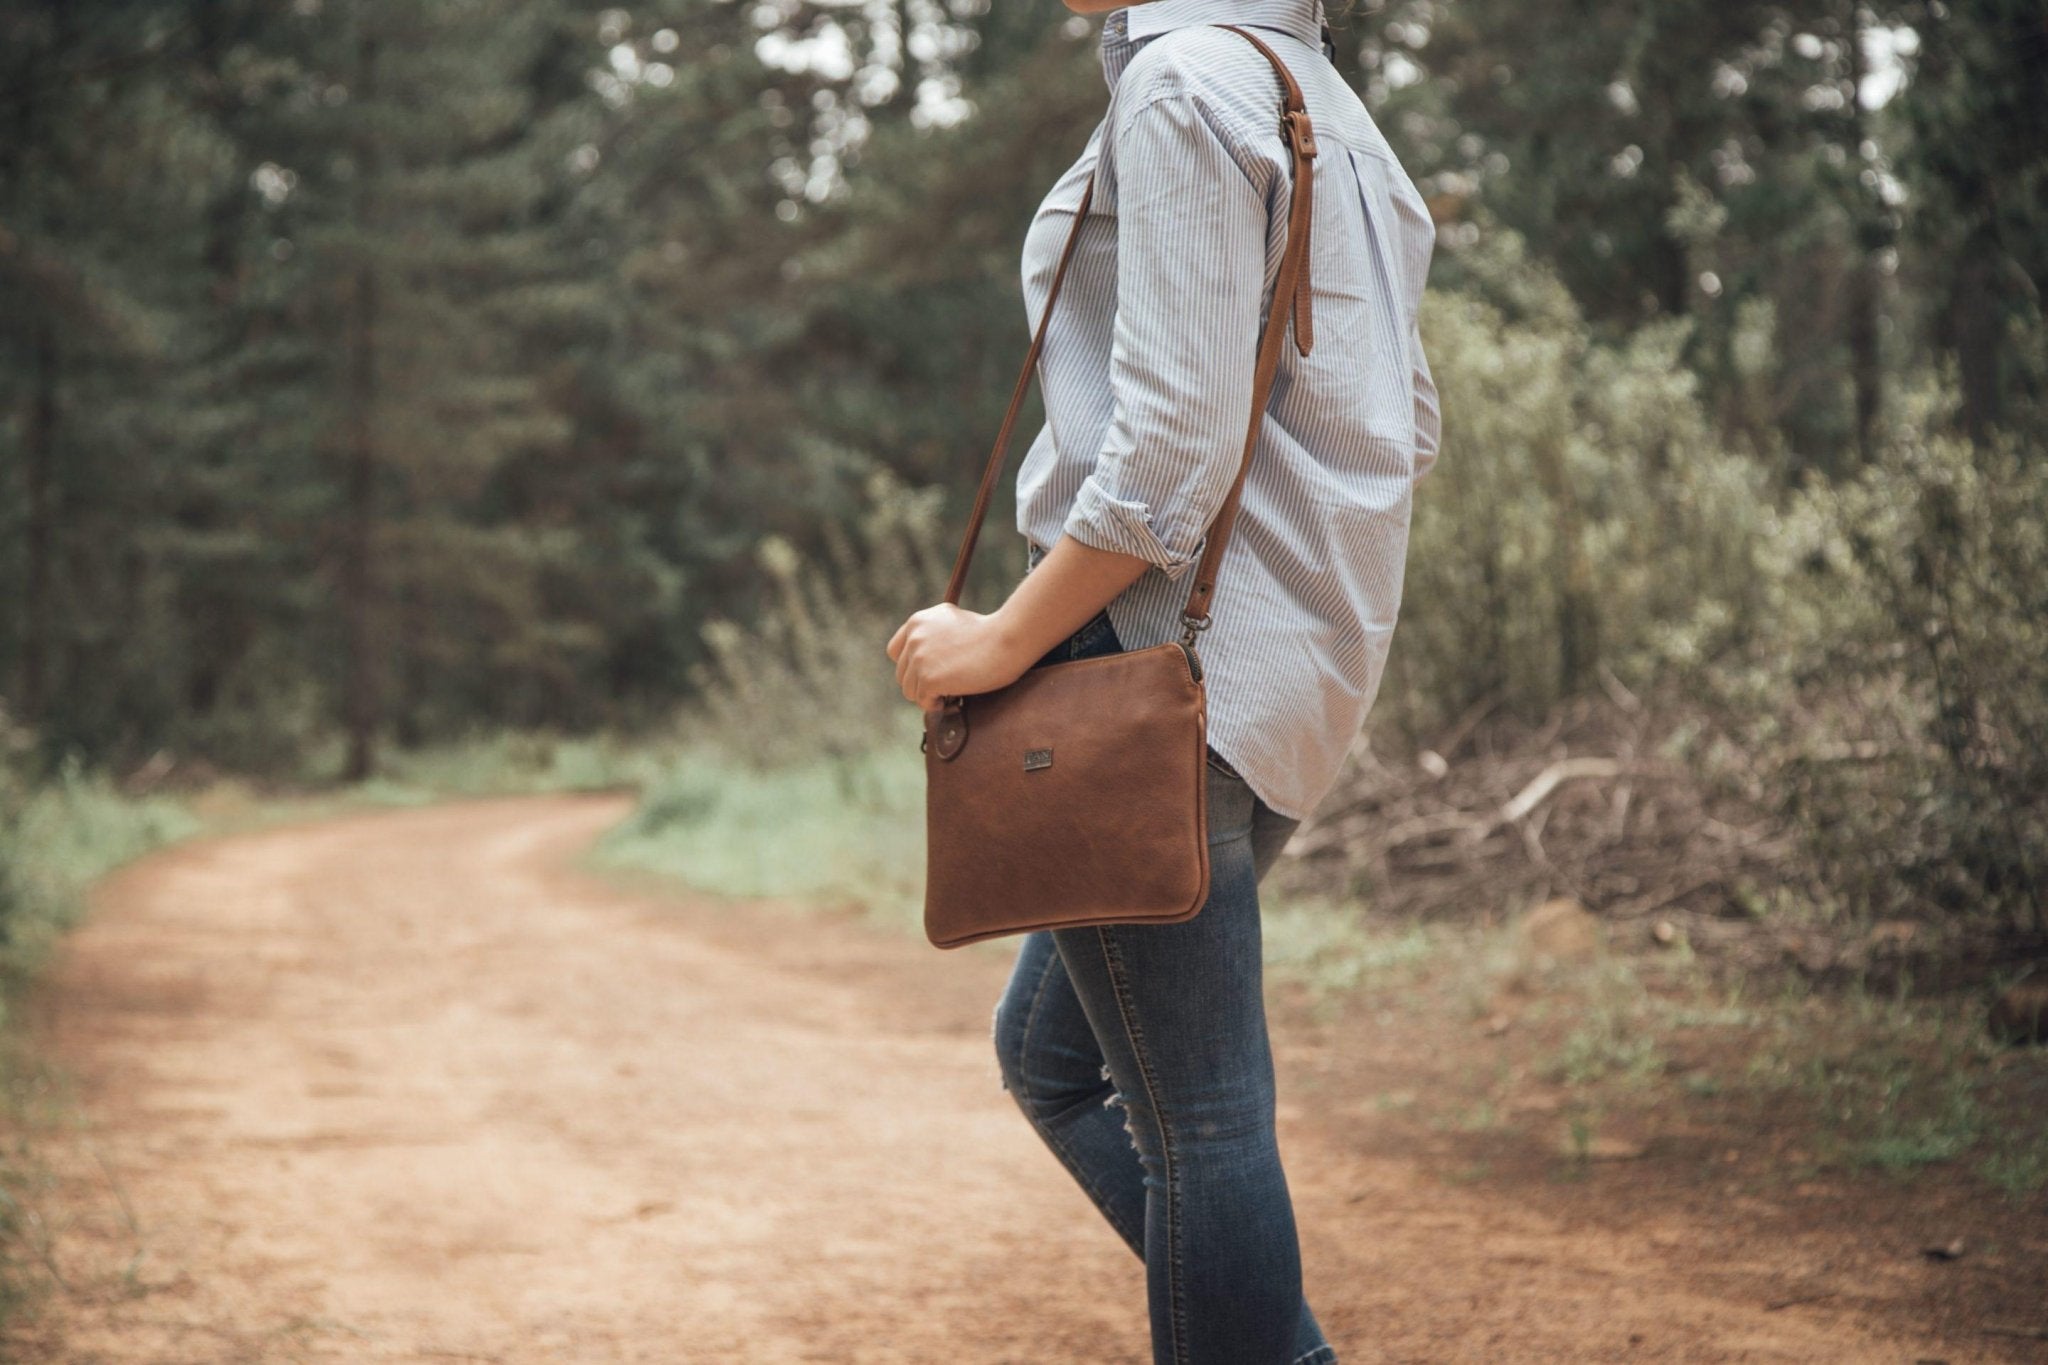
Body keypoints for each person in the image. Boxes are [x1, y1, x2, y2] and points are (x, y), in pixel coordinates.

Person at [885, 0, 1439, 1360]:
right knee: (1054, 1057)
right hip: (1281, 676)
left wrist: (1003, 638)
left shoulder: (1185, 84)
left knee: (1199, 1121)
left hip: (1147, 672)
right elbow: (1405, 421)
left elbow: (1171, 447)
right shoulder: (1317, 95)